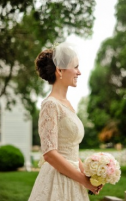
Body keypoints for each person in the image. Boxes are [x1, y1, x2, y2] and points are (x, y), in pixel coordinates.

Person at [28, 42, 102, 201]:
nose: (79, 72)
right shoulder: (50, 105)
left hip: (74, 179)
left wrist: (88, 178)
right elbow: (49, 154)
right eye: (75, 67)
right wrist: (82, 179)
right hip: (58, 180)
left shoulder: (67, 105)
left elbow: (71, 152)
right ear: (59, 70)